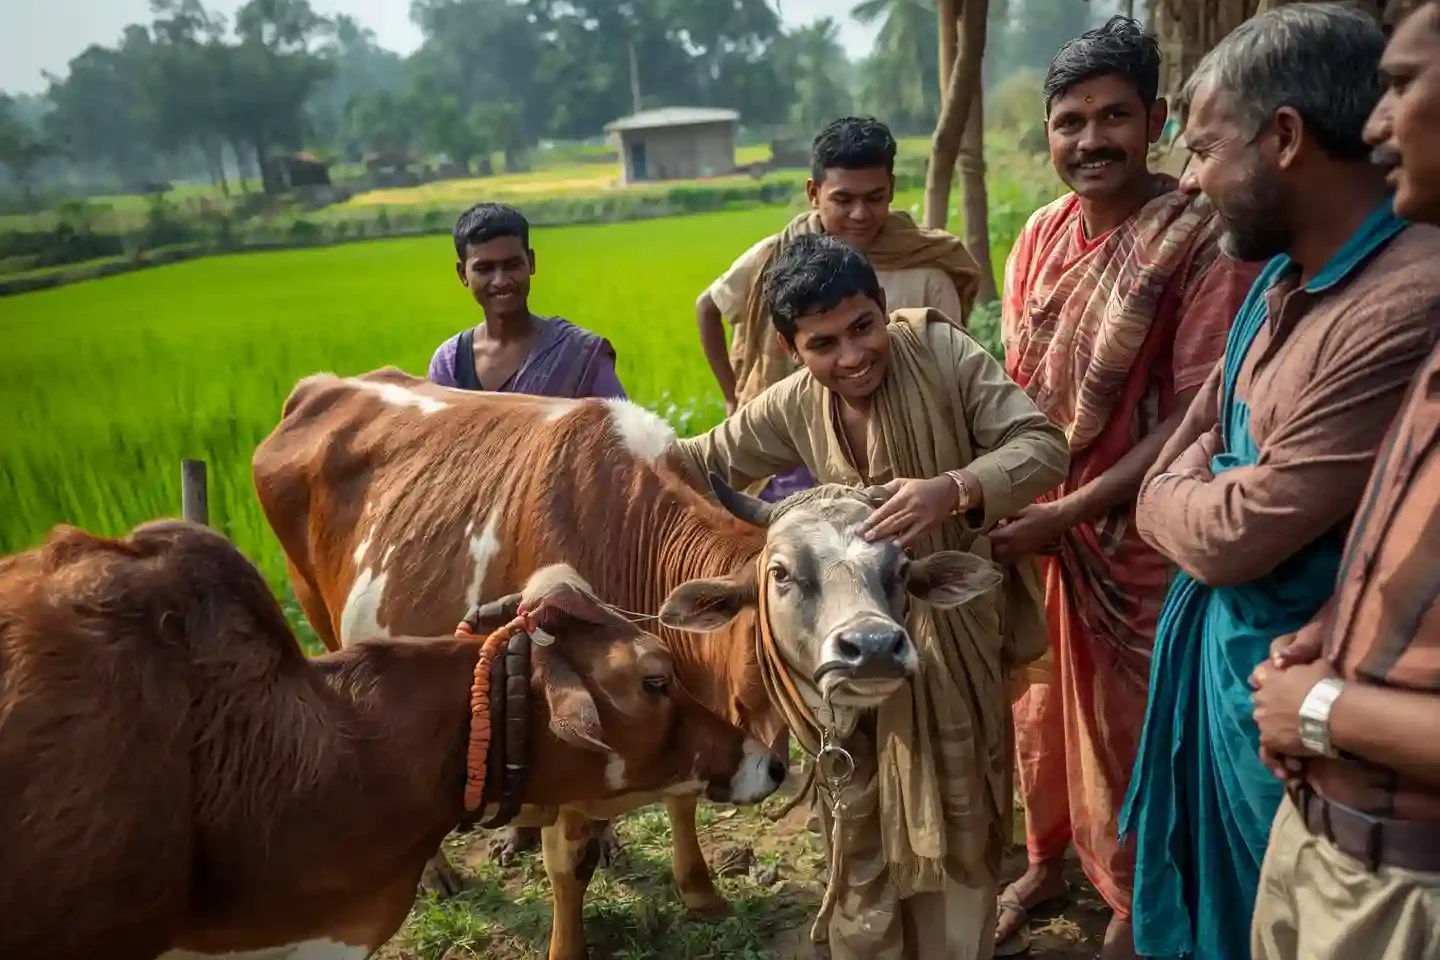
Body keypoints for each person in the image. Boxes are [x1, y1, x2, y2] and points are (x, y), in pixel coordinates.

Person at [1117, 5, 1440, 959]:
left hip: (1330, 742)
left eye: (1205, 148)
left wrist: (1182, 491)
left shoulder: (1406, 298)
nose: (1189, 179)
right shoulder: (1273, 277)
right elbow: (1202, 427)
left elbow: (1235, 533)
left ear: (1286, 138)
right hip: (1272, 679)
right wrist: (1201, 481)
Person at [676, 233, 1070, 959]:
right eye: (823, 344)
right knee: (858, 806)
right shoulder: (792, 404)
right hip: (844, 642)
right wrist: (591, 447)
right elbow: (695, 462)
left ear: (884, 310)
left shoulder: (943, 355)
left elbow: (1042, 443)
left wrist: (952, 488)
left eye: (863, 328)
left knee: (961, 800)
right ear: (794, 352)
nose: (852, 356)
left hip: (948, 624)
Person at [991, 17, 1261, 960]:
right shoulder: (1038, 235)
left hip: (1138, 539)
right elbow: (1016, 390)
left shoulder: (1201, 240)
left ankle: (1132, 891)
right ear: (1049, 131)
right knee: (1039, 709)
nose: (1090, 140)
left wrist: (1068, 510)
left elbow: (1197, 416)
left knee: (1131, 723)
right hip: (1038, 524)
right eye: (1070, 122)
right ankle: (1047, 856)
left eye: (1115, 117)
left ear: (1154, 120)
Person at [1248, 2, 1440, 958]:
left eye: (1402, 87)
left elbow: (1236, 522)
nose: (1371, 124)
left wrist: (1326, 709)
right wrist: (1339, 633)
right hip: (1329, 842)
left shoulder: (1401, 301)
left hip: (1410, 881)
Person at [695, 116, 982, 501]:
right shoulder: (778, 257)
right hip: (790, 460)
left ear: (892, 190)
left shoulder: (927, 270)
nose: (860, 214)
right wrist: (733, 395)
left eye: (874, 198)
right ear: (814, 193)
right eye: (843, 200)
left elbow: (951, 384)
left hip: (900, 466)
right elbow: (707, 307)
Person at [429, 201, 626, 399]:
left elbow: (621, 426)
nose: (501, 281)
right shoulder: (449, 364)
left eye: (512, 265)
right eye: (485, 269)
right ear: (463, 274)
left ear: (531, 262)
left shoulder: (580, 355)